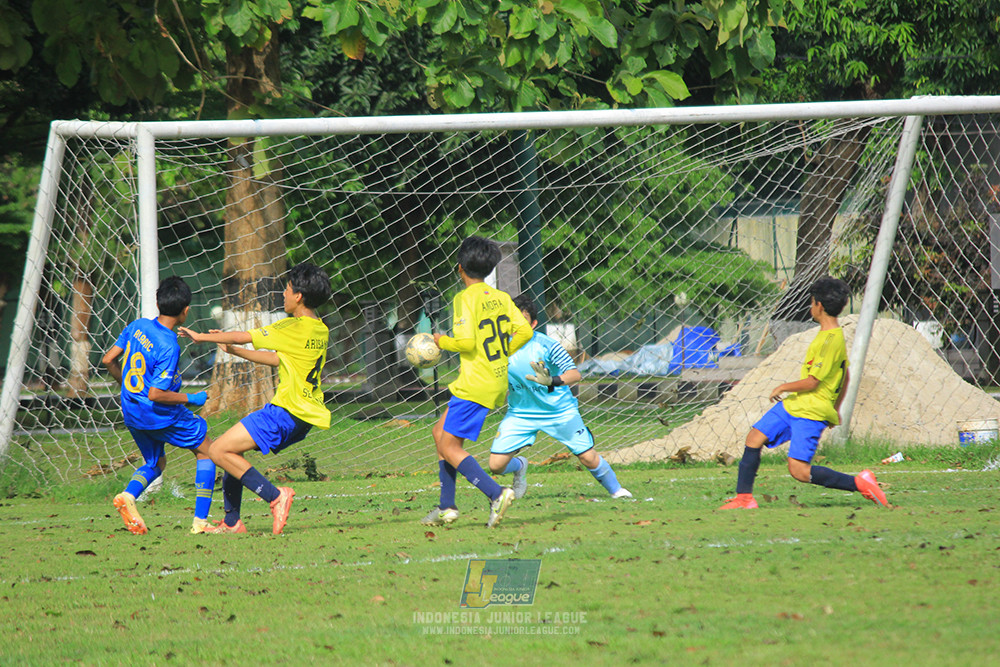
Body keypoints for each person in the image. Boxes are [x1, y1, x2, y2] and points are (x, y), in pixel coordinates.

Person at [178, 263, 331, 535]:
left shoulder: (292, 327)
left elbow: (244, 334)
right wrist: (235, 351)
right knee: (229, 451)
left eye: (286, 289)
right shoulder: (319, 328)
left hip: (285, 411)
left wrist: (200, 336)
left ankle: (275, 496)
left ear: (298, 296)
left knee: (217, 451)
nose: (282, 294)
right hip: (302, 415)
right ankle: (232, 521)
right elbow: (278, 358)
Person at [719, 276, 888, 510]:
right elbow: (845, 375)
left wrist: (783, 387)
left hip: (810, 410)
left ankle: (860, 483)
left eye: (811, 302)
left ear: (818, 305)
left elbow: (812, 382)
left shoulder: (830, 341)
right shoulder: (825, 335)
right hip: (796, 405)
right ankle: (744, 499)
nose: (810, 307)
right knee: (754, 438)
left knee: (799, 471)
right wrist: (836, 409)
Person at [420, 236, 532, 529]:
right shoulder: (501, 297)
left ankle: (496, 494)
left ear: (460, 268)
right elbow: (524, 332)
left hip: (475, 383)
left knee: (450, 447)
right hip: (494, 379)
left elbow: (467, 342)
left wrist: (442, 341)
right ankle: (447, 506)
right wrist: (504, 351)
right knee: (439, 433)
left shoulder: (464, 299)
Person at [101, 276, 215, 535]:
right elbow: (155, 394)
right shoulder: (169, 345)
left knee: (156, 462)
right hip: (156, 413)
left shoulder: (138, 325)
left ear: (158, 302)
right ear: (185, 311)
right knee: (208, 451)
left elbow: (108, 359)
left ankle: (128, 496)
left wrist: (130, 388)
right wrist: (192, 398)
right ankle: (201, 523)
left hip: (131, 410)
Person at [489, 295, 631, 500]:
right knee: (496, 465)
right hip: (521, 413)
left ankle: (617, 491)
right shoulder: (499, 348)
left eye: (522, 322)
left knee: (588, 458)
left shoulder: (547, 345)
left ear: (534, 324)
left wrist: (552, 381)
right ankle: (520, 466)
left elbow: (575, 374)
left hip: (559, 410)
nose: (515, 327)